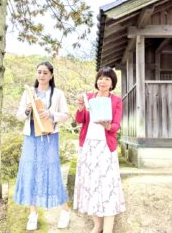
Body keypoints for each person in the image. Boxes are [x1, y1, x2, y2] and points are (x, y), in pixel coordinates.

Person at [14, 61, 71, 231]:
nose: (41, 75)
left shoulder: (58, 94)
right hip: (31, 137)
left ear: (51, 75)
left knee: (52, 171)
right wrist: (27, 110)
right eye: (39, 72)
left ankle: (65, 211)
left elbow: (66, 115)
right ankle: (33, 214)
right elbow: (18, 116)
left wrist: (51, 114)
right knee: (30, 171)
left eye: (45, 72)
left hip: (49, 137)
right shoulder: (28, 93)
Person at [73, 66, 126, 233]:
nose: (103, 81)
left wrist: (109, 126)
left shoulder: (116, 100)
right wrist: (80, 107)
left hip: (105, 146)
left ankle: (108, 229)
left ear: (112, 84)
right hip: (88, 146)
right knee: (90, 184)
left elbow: (117, 124)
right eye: (101, 78)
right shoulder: (88, 97)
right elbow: (80, 120)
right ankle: (97, 226)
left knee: (108, 185)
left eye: (107, 79)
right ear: (97, 81)